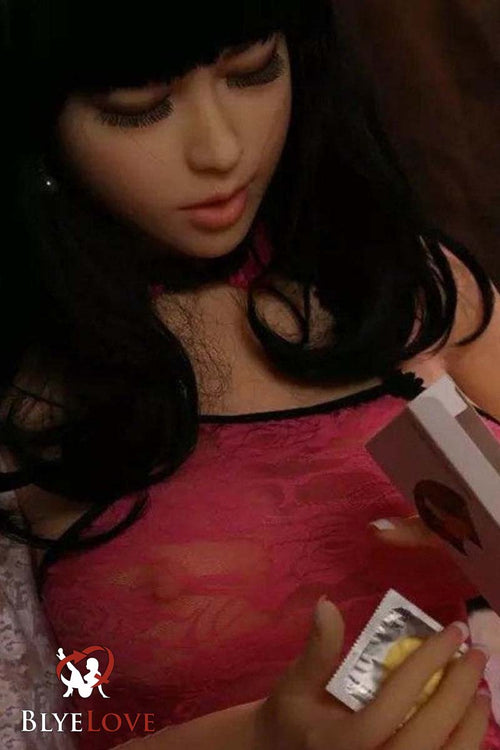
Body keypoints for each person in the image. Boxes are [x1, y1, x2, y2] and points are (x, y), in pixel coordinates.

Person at [1, 0, 500, 747]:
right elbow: (31, 725)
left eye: (254, 70)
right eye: (138, 108)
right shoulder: (27, 395)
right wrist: (255, 740)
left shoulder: (410, 287)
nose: (222, 148)